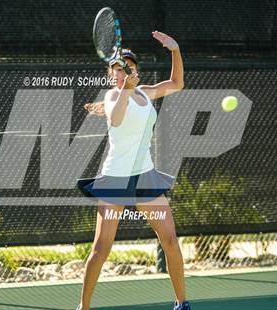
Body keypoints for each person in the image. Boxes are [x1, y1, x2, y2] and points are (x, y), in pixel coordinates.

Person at [76, 31, 191, 310]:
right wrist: (126, 88)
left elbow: (176, 84)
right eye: (116, 67)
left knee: (171, 240)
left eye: (127, 65)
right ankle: (84, 308)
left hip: (145, 177)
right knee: (101, 249)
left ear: (135, 69)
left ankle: (181, 304)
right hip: (115, 179)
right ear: (110, 75)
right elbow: (115, 120)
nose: (122, 70)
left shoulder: (147, 92)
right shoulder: (114, 94)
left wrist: (175, 50)